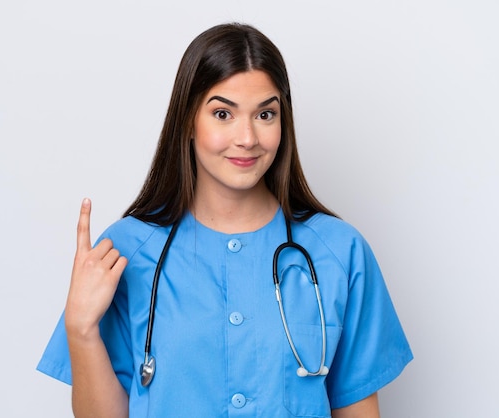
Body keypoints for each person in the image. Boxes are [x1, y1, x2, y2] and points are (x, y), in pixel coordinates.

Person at [37, 22, 413, 417]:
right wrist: (81, 330)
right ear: (188, 121)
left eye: (265, 114)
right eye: (223, 114)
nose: (248, 137)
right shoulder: (126, 251)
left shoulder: (339, 252)